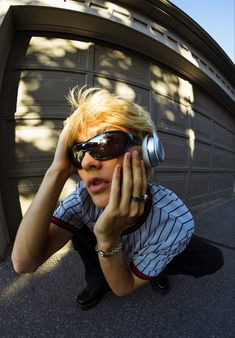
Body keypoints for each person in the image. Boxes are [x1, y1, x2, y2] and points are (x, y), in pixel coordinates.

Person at [11, 86, 224, 310]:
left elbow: (126, 286)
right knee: (85, 238)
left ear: (148, 151)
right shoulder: (82, 198)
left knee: (211, 259)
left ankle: (153, 267)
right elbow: (23, 262)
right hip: (99, 239)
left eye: (106, 144)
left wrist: (117, 244)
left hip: (159, 238)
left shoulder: (176, 221)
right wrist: (57, 169)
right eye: (78, 154)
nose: (86, 163)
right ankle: (97, 283)